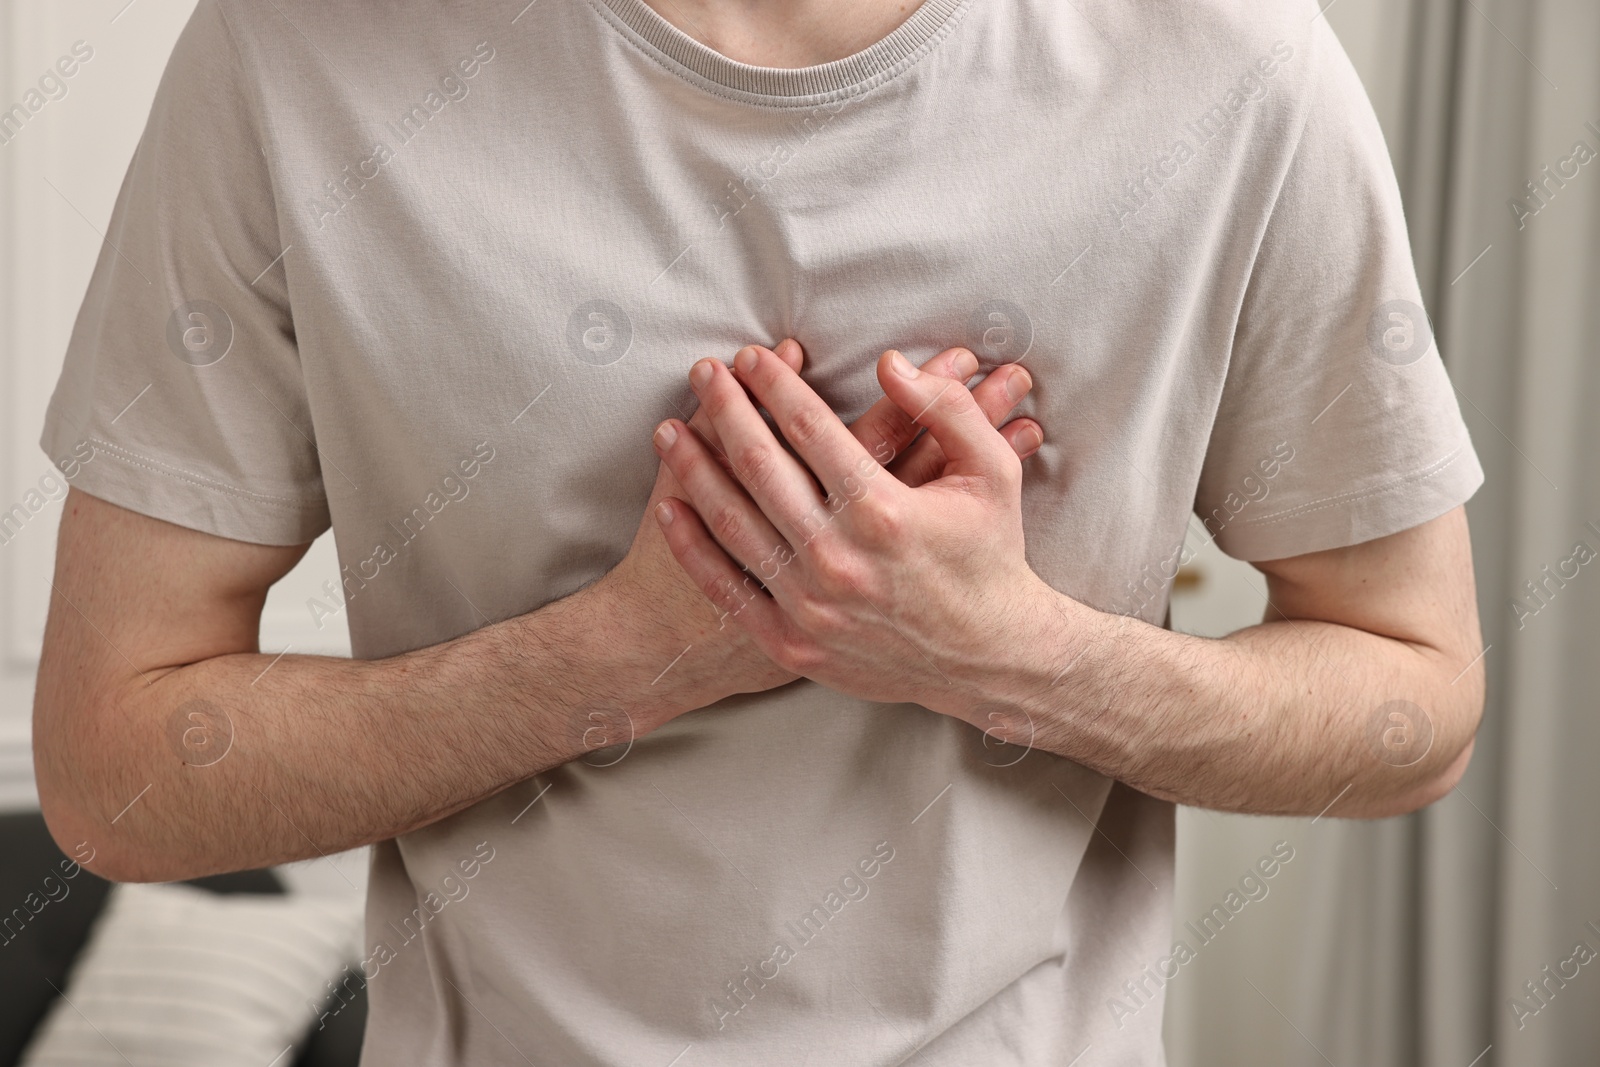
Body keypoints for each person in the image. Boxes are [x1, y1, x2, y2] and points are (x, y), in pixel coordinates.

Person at [33, 0, 1486, 1062]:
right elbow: (112, 771)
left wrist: (1005, 653)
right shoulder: (291, 54)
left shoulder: (1235, 65)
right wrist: (622, 660)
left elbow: (1416, 702)